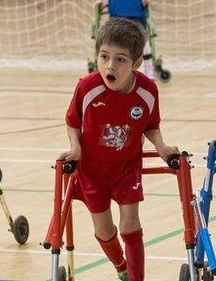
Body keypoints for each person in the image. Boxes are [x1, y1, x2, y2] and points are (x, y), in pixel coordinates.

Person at [60, 18, 178, 281]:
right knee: (104, 230)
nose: (110, 66)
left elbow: (151, 125)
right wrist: (75, 148)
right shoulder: (87, 87)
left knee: (130, 223)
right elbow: (72, 121)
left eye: (120, 60)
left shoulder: (147, 90)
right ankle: (121, 267)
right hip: (91, 169)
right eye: (104, 57)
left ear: (136, 63)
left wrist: (161, 146)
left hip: (127, 168)